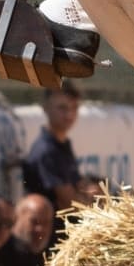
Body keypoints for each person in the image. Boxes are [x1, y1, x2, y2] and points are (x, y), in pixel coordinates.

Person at [21, 85, 98, 224]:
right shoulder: (46, 150)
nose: (69, 114)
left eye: (74, 108)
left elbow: (78, 186)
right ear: (46, 108)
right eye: (62, 108)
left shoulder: (62, 144)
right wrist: (91, 201)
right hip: (49, 235)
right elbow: (70, 204)